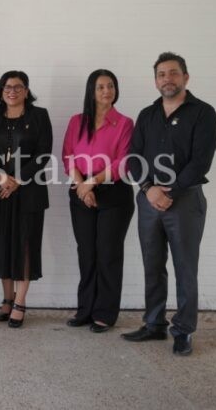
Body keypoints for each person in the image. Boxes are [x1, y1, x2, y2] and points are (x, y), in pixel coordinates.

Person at [123, 52, 216, 356]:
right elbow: (133, 158)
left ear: (186, 77)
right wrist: (150, 189)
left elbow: (200, 162)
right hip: (149, 201)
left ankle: (184, 330)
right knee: (153, 265)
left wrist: (170, 191)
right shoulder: (147, 115)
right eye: (162, 74)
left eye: (174, 73)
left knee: (185, 267)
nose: (168, 79)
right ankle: (154, 325)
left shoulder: (203, 113)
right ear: (156, 81)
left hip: (185, 202)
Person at [62, 70, 134, 333]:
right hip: (80, 189)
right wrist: (82, 186)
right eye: (101, 87)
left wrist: (90, 184)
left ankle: (105, 313)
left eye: (111, 86)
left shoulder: (125, 123)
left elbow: (123, 162)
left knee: (108, 253)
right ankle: (86, 309)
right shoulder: (76, 121)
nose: (107, 91)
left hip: (114, 193)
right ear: (91, 91)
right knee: (87, 253)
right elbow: (68, 155)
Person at [0, 71, 52, 328]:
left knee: (24, 246)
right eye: (7, 87)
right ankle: (7, 298)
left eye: (18, 87)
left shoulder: (39, 115)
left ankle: (20, 301)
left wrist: (17, 180)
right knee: (2, 245)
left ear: (26, 90)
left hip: (29, 193)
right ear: (1, 91)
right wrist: (1, 179)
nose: (12, 91)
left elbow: (44, 154)